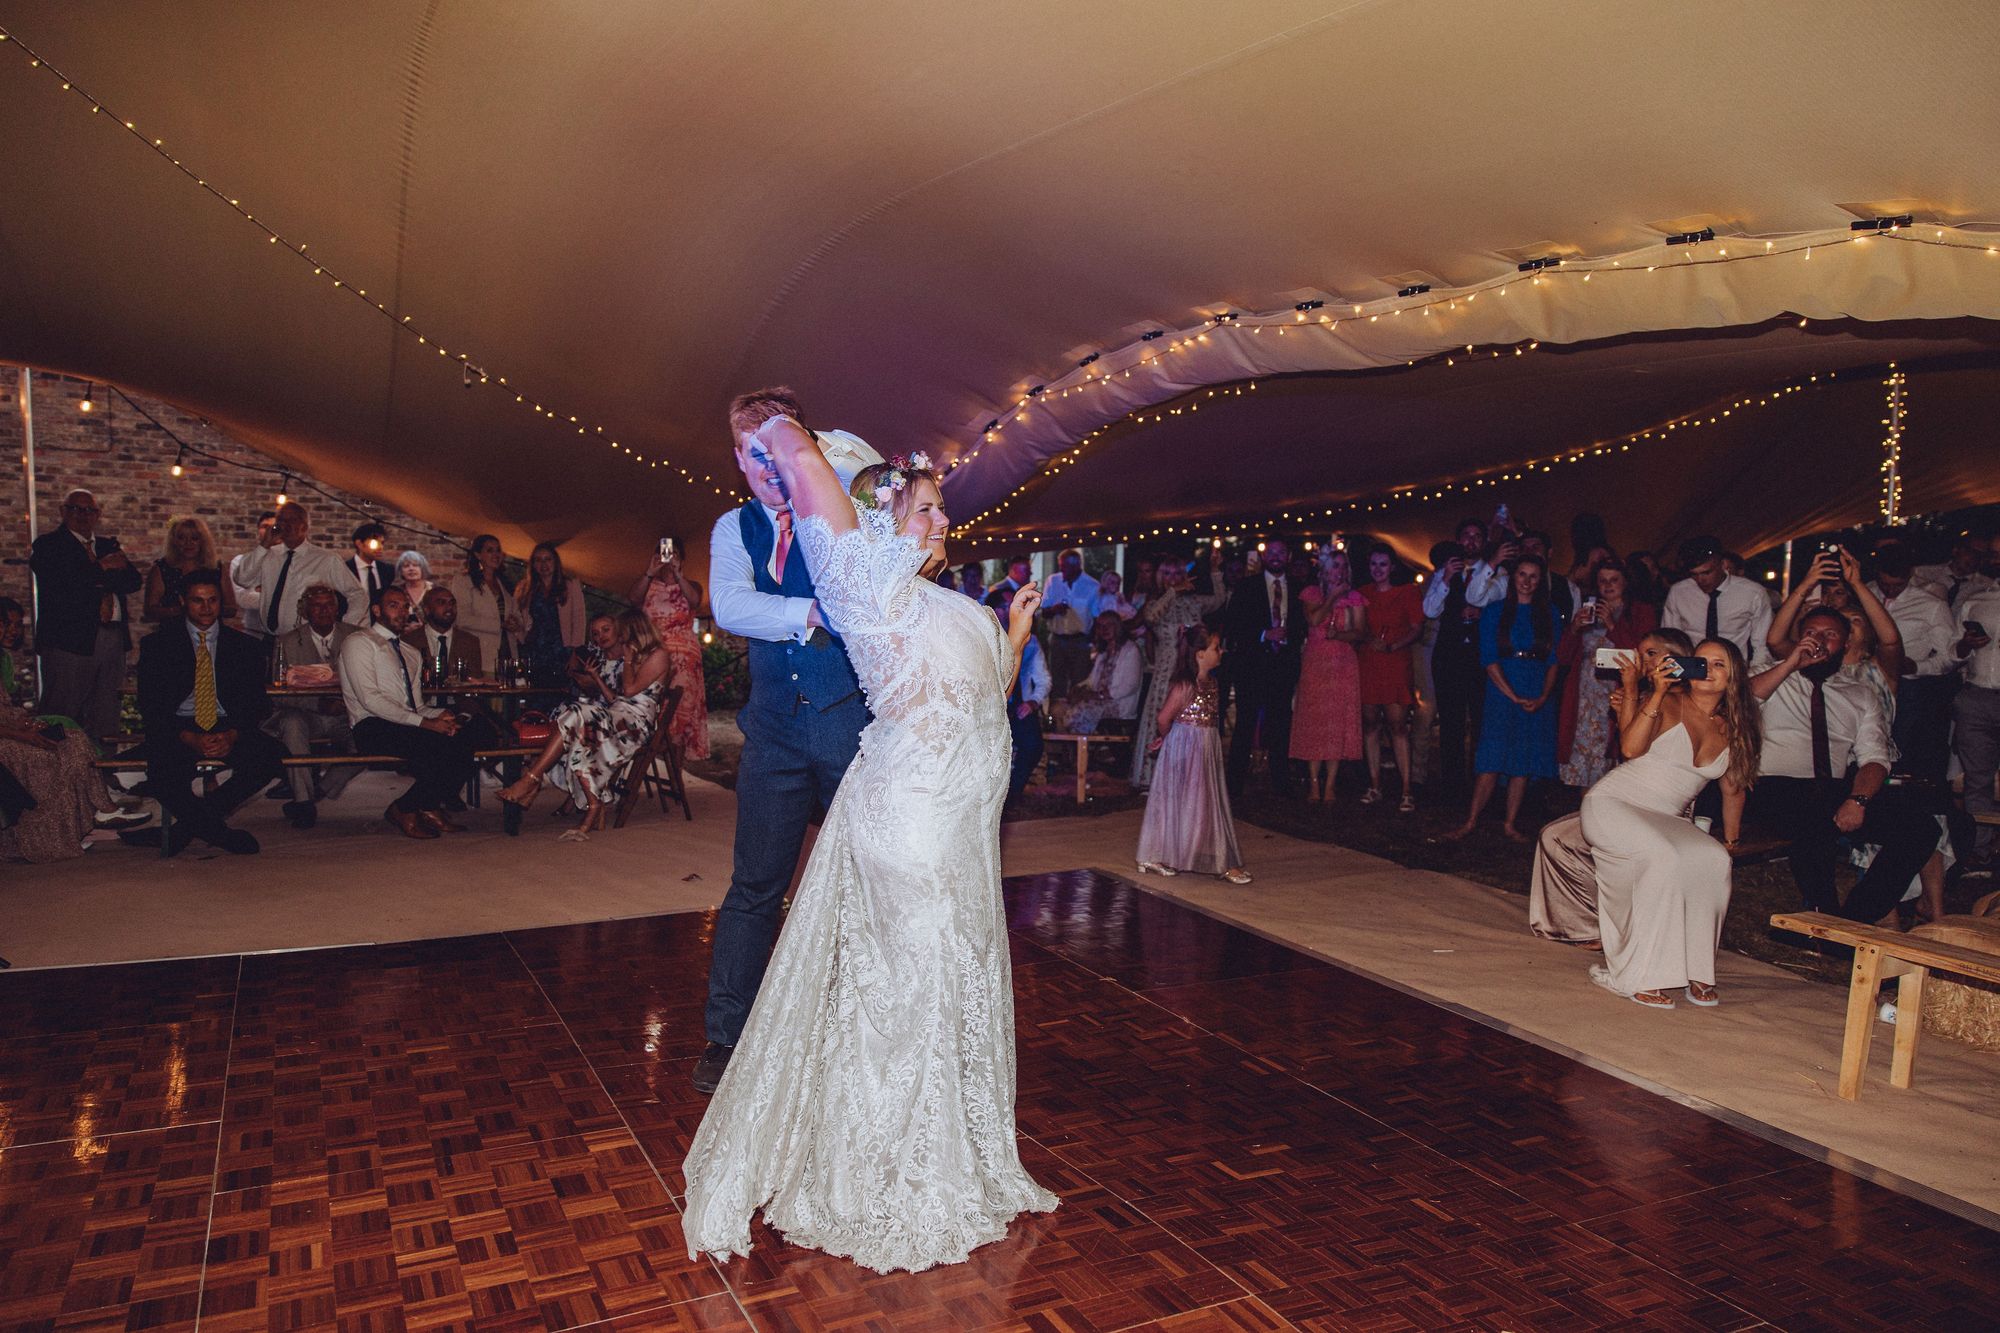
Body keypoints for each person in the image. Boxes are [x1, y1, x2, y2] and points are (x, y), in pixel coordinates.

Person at [682, 402, 1057, 1275]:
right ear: (880, 520)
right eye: (924, 508)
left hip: (963, 833)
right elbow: (817, 491)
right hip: (913, 817)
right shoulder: (868, 586)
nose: (943, 520)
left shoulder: (945, 601)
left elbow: (978, 696)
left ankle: (938, 1149)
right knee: (903, 985)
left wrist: (1012, 636)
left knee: (938, 979)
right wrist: (773, 430)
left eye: (943, 509)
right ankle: (882, 1164)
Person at [695, 388, 874, 1096]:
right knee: (754, 887)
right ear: (738, 459)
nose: (768, 465)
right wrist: (811, 611)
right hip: (771, 735)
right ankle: (725, 1037)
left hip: (848, 728)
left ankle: (860, 1030)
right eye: (753, 454)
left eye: (779, 449)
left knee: (863, 882)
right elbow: (730, 606)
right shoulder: (730, 528)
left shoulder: (840, 505)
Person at [1584, 638, 1758, 1009]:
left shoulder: (1733, 727)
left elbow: (1733, 790)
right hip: (1615, 803)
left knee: (1713, 861)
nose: (1707, 670)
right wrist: (1658, 693)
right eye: (1701, 661)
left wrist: (1730, 841)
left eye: (1719, 664)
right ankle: (1637, 974)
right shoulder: (1672, 702)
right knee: (1663, 858)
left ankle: (1697, 970)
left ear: (1734, 678)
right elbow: (1630, 749)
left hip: (1666, 817)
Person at [1745, 608, 1938, 922]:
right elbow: (1742, 700)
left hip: (1832, 790)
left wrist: (1857, 800)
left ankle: (1856, 917)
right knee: (1812, 811)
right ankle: (1824, 916)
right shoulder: (1770, 674)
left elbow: (1876, 758)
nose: (1819, 641)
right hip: (1772, 786)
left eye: (1830, 634)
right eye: (1811, 633)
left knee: (1920, 826)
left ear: (1846, 644)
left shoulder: (1860, 694)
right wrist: (1792, 663)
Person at [1528, 629, 1695, 949]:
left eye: (1650, 654)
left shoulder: (1676, 699)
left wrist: (1631, 690)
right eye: (1640, 652)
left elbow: (1636, 752)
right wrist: (1625, 708)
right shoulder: (1656, 696)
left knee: (1565, 840)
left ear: (1674, 658)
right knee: (1558, 837)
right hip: (1635, 798)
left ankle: (1605, 928)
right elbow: (1631, 743)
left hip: (1653, 805)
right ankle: (1596, 925)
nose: (1641, 660)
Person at [132, 570, 283, 855]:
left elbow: (257, 703)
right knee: (161, 771)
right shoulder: (158, 646)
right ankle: (219, 834)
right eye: (197, 601)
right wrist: (188, 736)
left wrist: (232, 734)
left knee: (270, 756)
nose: (206, 608)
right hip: (180, 726)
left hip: (227, 724)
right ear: (182, 602)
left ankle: (185, 828)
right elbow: (151, 706)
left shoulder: (244, 646)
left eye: (212, 600)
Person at [497, 609, 672, 839]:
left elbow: (629, 691)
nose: (621, 638)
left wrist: (628, 659)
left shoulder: (658, 654)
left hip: (634, 725)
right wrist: (598, 675)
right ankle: (590, 805)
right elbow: (614, 698)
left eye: (623, 633)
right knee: (578, 727)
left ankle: (531, 780)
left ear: (635, 631)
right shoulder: (636, 656)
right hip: (616, 715)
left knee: (578, 715)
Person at [337, 586, 476, 840]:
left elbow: (415, 706)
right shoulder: (358, 643)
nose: (402, 612)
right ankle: (404, 809)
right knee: (439, 745)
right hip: (371, 725)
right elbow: (370, 700)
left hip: (405, 722)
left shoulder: (410, 652)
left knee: (467, 737)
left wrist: (441, 714)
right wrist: (426, 723)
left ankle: (428, 804)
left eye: (405, 606)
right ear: (376, 610)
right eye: (394, 605)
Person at [1446, 553, 1564, 843]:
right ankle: (1471, 820)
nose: (1527, 581)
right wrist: (1511, 695)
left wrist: (1542, 696)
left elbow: (1553, 660)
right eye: (1521, 574)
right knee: (1491, 757)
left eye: (1533, 576)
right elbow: (1488, 658)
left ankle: (1510, 823)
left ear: (1541, 581)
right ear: (1513, 578)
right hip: (1502, 689)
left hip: (1536, 688)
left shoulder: (1549, 613)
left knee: (1522, 760)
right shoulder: (1495, 611)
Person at [1136, 625, 1251, 883]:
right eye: (1216, 647)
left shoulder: (1212, 683)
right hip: (1184, 748)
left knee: (1204, 802)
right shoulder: (1185, 685)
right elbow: (1164, 717)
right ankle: (1156, 855)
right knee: (1178, 799)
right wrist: (1167, 738)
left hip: (1205, 747)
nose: (1221, 651)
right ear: (1199, 654)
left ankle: (1206, 854)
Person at [30, 489, 143, 741]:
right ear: (62, 511)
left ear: (98, 514)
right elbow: (63, 583)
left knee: (106, 710)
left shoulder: (106, 545)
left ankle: (101, 773)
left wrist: (95, 575)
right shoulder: (49, 545)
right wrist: (101, 568)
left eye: (88, 510)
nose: (82, 515)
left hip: (112, 636)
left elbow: (133, 581)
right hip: (68, 640)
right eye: (75, 508)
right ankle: (53, 775)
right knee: (62, 710)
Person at [1424, 517, 1514, 792]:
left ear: (1484, 541)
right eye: (1466, 536)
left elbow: (1481, 599)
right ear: (1458, 539)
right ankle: (1451, 785)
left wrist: (1489, 568)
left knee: (1479, 720)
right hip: (1449, 655)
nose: (1471, 541)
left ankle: (1480, 785)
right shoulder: (1445, 571)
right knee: (1450, 721)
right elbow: (1429, 610)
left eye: (1477, 536)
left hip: (1480, 656)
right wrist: (1447, 579)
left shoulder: (1498, 573)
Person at [1556, 558, 1658, 789]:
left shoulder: (1640, 611)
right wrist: (1573, 629)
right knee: (1585, 758)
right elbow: (1562, 657)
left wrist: (1612, 625)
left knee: (1614, 757)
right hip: (1584, 696)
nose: (1608, 585)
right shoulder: (1588, 608)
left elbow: (1643, 655)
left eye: (1614, 580)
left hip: (1619, 692)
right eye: (1602, 581)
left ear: (1625, 583)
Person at [266, 584, 360, 829]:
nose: (323, 610)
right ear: (305, 611)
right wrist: (318, 704)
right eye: (316, 606)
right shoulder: (286, 642)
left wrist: (345, 705)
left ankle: (318, 789)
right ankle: (304, 802)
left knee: (372, 737)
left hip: (347, 715)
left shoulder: (357, 637)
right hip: (307, 715)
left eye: (329, 604)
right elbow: (278, 694)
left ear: (337, 609)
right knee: (291, 724)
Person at [1132, 554, 1227, 787]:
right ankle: (1152, 777)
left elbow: (1219, 599)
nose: (1173, 579)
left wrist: (1215, 571)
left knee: (1187, 721)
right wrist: (1172, 592)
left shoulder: (1193, 602)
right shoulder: (1156, 603)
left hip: (1192, 669)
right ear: (1160, 577)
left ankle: (1184, 776)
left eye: (1177, 574)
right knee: (1162, 716)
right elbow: (1150, 617)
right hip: (1166, 670)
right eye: (1168, 574)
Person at [1868, 539, 1959, 780]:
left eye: (1897, 586)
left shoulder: (1931, 605)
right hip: (1864, 681)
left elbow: (1949, 657)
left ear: (1909, 576)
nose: (1889, 591)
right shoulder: (1865, 593)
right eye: (1884, 585)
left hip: (1907, 688)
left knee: (1898, 751)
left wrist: (1917, 666)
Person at [1224, 537, 1306, 798]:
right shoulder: (1247, 587)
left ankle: (1281, 782)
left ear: (1288, 556)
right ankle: (1234, 783)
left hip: (1283, 665)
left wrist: (1288, 635)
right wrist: (1263, 634)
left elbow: (1305, 625)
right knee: (1245, 723)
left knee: (1281, 724)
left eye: (1281, 552)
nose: (1276, 556)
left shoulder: (1299, 588)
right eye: (1271, 552)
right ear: (1263, 557)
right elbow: (1234, 625)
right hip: (1252, 665)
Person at [1290, 546, 1366, 803]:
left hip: (1343, 663)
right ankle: (1313, 783)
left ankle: (1331, 784)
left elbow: (1360, 631)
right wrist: (1332, 598)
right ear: (1323, 569)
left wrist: (1341, 636)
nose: (1340, 571)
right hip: (1316, 663)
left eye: (1344, 566)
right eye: (1335, 566)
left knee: (1335, 724)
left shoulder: (1355, 597)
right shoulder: (1311, 593)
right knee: (1315, 723)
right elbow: (1313, 620)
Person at [0, 701, 115, 862]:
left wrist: (27, 724)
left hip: (11, 731)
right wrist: (23, 735)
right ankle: (37, 840)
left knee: (74, 740)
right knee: (37, 756)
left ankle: (103, 807)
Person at [1356, 545, 1424, 812]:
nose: (1378, 570)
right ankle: (1374, 785)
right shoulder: (1363, 593)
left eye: (1383, 564)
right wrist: (1367, 637)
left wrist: (1394, 645)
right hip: (1370, 663)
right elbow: (1357, 625)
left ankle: (1406, 789)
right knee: (1371, 725)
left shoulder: (1407, 592)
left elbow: (1417, 628)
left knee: (1397, 726)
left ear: (1392, 566)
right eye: (1373, 564)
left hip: (1395, 663)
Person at [237, 502, 367, 641]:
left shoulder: (325, 559)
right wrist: (264, 544)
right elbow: (242, 579)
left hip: (305, 640)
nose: (285, 525)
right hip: (269, 638)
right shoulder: (268, 555)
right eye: (281, 520)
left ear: (304, 526)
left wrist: (343, 628)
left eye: (292, 520)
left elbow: (358, 594)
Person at [631, 536, 711, 761]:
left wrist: (678, 575)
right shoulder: (648, 586)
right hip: (654, 656)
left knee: (680, 710)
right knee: (656, 708)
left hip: (684, 658)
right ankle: (652, 752)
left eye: (674, 553)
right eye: (665, 553)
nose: (669, 558)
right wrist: (649, 571)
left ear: (682, 559)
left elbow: (694, 601)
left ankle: (676, 764)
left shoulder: (690, 585)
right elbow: (633, 598)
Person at [1951, 538, 2000, 871]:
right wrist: (1967, 644)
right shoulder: (1976, 600)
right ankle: (1979, 853)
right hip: (1977, 695)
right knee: (1977, 780)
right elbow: (1953, 652)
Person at [1661, 535, 1770, 666]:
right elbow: (1670, 641)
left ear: (1723, 564)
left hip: (1733, 670)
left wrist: (1754, 676)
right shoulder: (1679, 592)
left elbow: (1762, 646)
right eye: (1694, 574)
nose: (1700, 580)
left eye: (1707, 573)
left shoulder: (1753, 593)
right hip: (1692, 670)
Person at [987, 584, 1049, 800]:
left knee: (1033, 745)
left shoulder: (1030, 642)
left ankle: (1013, 794)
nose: (1009, 610)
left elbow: (1043, 679)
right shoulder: (984, 640)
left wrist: (1033, 702)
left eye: (1010, 605)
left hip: (1018, 705)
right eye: (1003, 606)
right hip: (989, 708)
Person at [445, 534, 523, 673]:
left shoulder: (505, 583)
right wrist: (499, 624)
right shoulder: (464, 580)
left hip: (507, 654)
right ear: (478, 555)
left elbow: (516, 614)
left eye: (498, 550)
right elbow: (462, 619)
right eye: (490, 550)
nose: (495, 554)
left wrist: (515, 623)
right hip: (479, 653)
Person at [515, 541, 587, 685]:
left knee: (560, 691)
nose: (544, 564)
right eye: (538, 560)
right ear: (533, 564)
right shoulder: (525, 588)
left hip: (561, 649)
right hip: (535, 650)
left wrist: (574, 653)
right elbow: (519, 619)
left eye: (548, 559)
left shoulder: (570, 585)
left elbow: (579, 620)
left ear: (555, 562)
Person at [1060, 610, 1143, 735]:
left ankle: (1084, 750)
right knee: (1061, 707)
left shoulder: (1131, 650)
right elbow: (1092, 680)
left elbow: (1130, 686)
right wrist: (1077, 689)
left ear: (1118, 627)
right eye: (1100, 626)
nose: (1104, 629)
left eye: (1109, 625)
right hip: (1098, 701)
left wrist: (1099, 695)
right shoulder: (1103, 652)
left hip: (1118, 705)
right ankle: (1076, 751)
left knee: (1079, 713)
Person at [144, 516, 239, 624]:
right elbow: (150, 610)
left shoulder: (215, 568)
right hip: (172, 632)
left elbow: (231, 609)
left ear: (203, 541)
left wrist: (206, 610)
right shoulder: (162, 568)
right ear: (173, 541)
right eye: (181, 538)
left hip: (210, 633)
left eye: (194, 538)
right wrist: (177, 611)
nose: (188, 543)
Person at [1041, 548, 1101, 698]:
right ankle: (1055, 718)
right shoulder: (1053, 581)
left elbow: (1097, 618)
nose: (1061, 570)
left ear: (1076, 565)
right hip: (1057, 639)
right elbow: (1043, 612)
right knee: (1056, 682)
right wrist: (1054, 609)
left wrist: (1093, 643)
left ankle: (1075, 719)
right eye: (1060, 566)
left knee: (1079, 683)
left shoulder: (1092, 585)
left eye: (1065, 567)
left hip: (1080, 641)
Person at [403, 585, 484, 680]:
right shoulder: (409, 641)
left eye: (452, 603)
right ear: (427, 609)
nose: (449, 607)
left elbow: (475, 683)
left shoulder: (470, 642)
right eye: (441, 602)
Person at [1913, 532, 1992, 610]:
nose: (1974, 558)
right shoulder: (1922, 574)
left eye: (1981, 555)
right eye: (1970, 552)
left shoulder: (1987, 587)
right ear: (1956, 550)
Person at [230, 511, 278, 638]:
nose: (270, 532)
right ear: (258, 531)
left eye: (274, 527)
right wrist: (281, 593)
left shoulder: (293, 563)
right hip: (253, 633)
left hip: (287, 636)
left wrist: (260, 590)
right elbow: (244, 600)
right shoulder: (240, 562)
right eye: (265, 527)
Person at [346, 522, 399, 606]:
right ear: (359, 543)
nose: (380, 547)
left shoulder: (387, 570)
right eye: (374, 543)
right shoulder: (345, 569)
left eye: (382, 543)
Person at [0, 597, 33, 705]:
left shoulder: (5, 658)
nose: (13, 631)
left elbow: (10, 690)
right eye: (7, 624)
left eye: (18, 625)